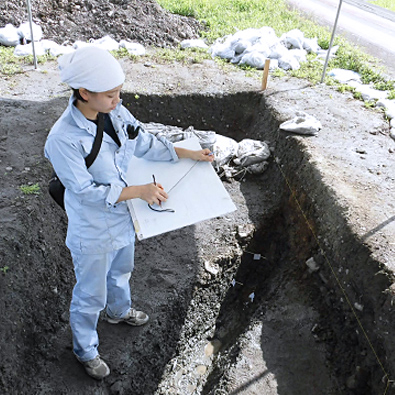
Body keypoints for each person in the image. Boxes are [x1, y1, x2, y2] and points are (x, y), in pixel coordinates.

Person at [44, 46, 214, 380]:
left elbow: (142, 139)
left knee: (122, 269)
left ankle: (118, 312)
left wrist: (186, 153)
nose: (118, 101)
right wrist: (139, 191)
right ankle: (85, 349)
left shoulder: (114, 113)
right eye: (111, 95)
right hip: (92, 228)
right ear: (83, 93)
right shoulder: (63, 139)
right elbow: (84, 193)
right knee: (91, 292)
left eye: (119, 93)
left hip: (122, 218)